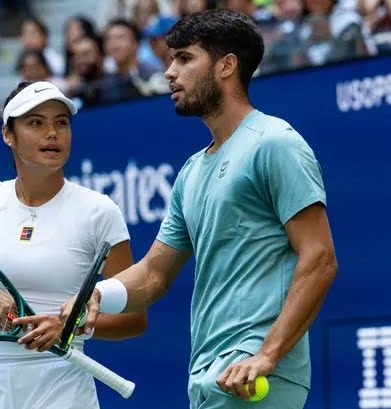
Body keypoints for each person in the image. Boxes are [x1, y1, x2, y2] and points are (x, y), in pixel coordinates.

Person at [61, 9, 338, 409]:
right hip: (210, 375)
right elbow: (154, 273)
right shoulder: (192, 171)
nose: (169, 72)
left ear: (227, 66)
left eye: (184, 59)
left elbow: (320, 258)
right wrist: (98, 294)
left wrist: (267, 354)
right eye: (171, 59)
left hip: (255, 375)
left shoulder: (276, 143)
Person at [0, 80, 147, 409]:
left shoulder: (100, 212)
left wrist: (69, 327)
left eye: (61, 123)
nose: (52, 133)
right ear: (8, 135)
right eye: (36, 123)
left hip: (64, 390)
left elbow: (134, 318)